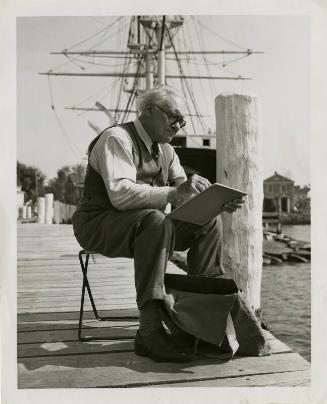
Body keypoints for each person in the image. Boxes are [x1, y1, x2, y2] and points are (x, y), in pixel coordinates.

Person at [72, 85, 244, 363]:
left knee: (209, 223)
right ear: (148, 110)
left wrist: (214, 202)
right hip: (98, 224)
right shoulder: (117, 138)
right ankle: (150, 331)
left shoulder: (166, 151)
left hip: (148, 227)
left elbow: (184, 199)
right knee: (155, 221)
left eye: (181, 121)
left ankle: (198, 319)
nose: (178, 125)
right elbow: (121, 196)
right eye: (172, 117)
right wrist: (178, 191)